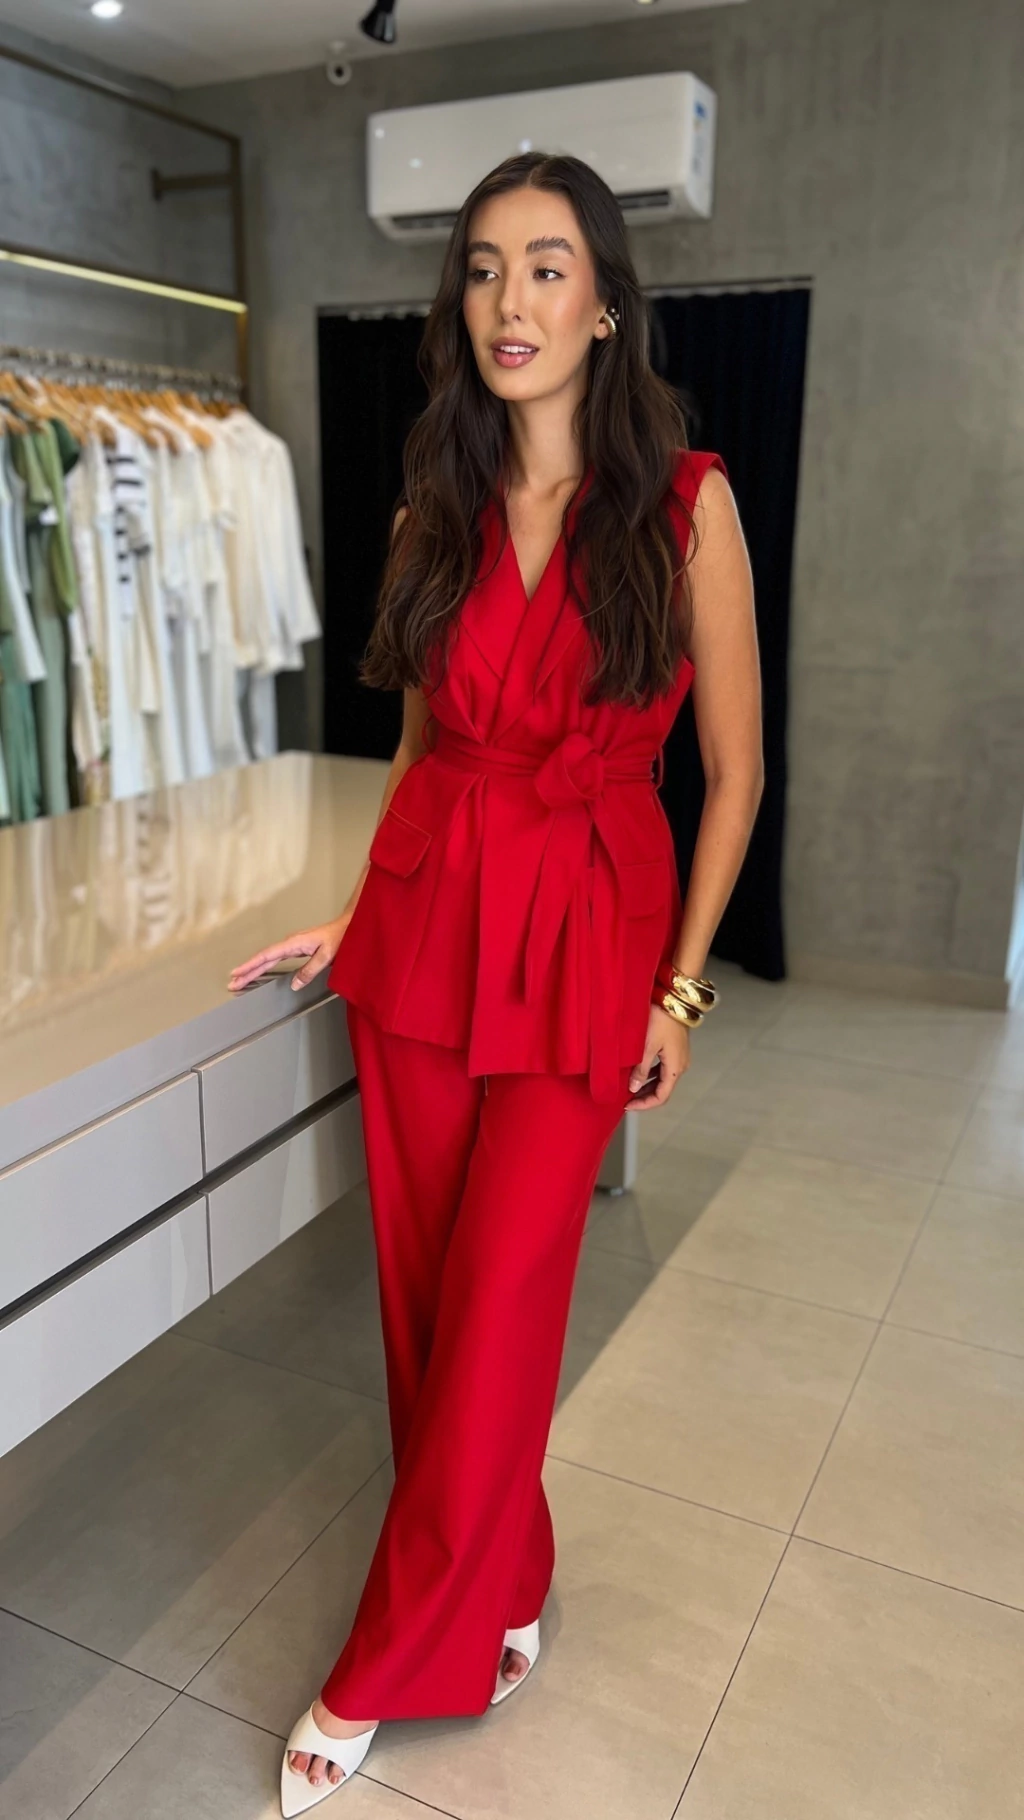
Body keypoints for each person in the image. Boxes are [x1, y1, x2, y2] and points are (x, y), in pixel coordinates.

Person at [229, 150, 761, 1813]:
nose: (509, 301)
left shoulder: (688, 505)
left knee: (507, 1306)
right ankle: (508, 1569)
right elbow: (418, 756)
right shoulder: (430, 511)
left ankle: (388, 1662)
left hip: (588, 940)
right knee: (423, 1307)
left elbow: (736, 776)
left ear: (604, 305)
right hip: (428, 933)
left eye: (545, 267)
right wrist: (357, 919)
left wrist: (680, 993)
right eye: (481, 268)